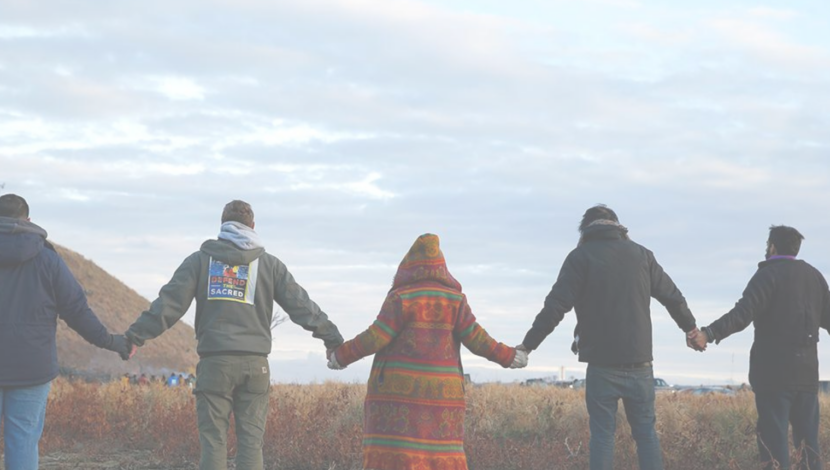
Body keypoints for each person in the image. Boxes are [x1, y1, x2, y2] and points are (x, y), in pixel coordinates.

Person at [123, 199, 343, 470]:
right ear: (253, 226)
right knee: (251, 444)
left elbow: (168, 305)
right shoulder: (270, 266)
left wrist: (135, 336)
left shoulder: (199, 261)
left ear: (222, 227)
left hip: (215, 364)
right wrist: (332, 339)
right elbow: (302, 306)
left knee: (213, 442)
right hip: (256, 366)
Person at [518, 205, 701, 470]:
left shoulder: (580, 257)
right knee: (646, 436)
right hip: (640, 363)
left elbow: (555, 307)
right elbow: (673, 296)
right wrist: (690, 329)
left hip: (601, 366)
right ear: (617, 226)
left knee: (603, 436)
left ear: (585, 230)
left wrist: (528, 345)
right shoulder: (642, 255)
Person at [328, 234, 528, 470]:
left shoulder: (401, 298)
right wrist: (509, 356)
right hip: (444, 399)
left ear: (407, 267)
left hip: (397, 398)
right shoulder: (455, 300)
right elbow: (478, 339)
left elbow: (375, 336)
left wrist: (340, 356)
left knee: (398, 456)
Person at [0, 193, 130, 470]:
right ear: (28, 220)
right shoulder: (47, 260)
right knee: (22, 441)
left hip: (29, 367)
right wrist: (112, 342)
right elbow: (77, 311)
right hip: (31, 367)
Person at [691, 225, 830, 470]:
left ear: (772, 246)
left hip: (773, 375)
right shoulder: (815, 277)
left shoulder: (768, 275)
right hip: (807, 375)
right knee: (809, 448)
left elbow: (742, 314)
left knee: (773, 446)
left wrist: (708, 333)